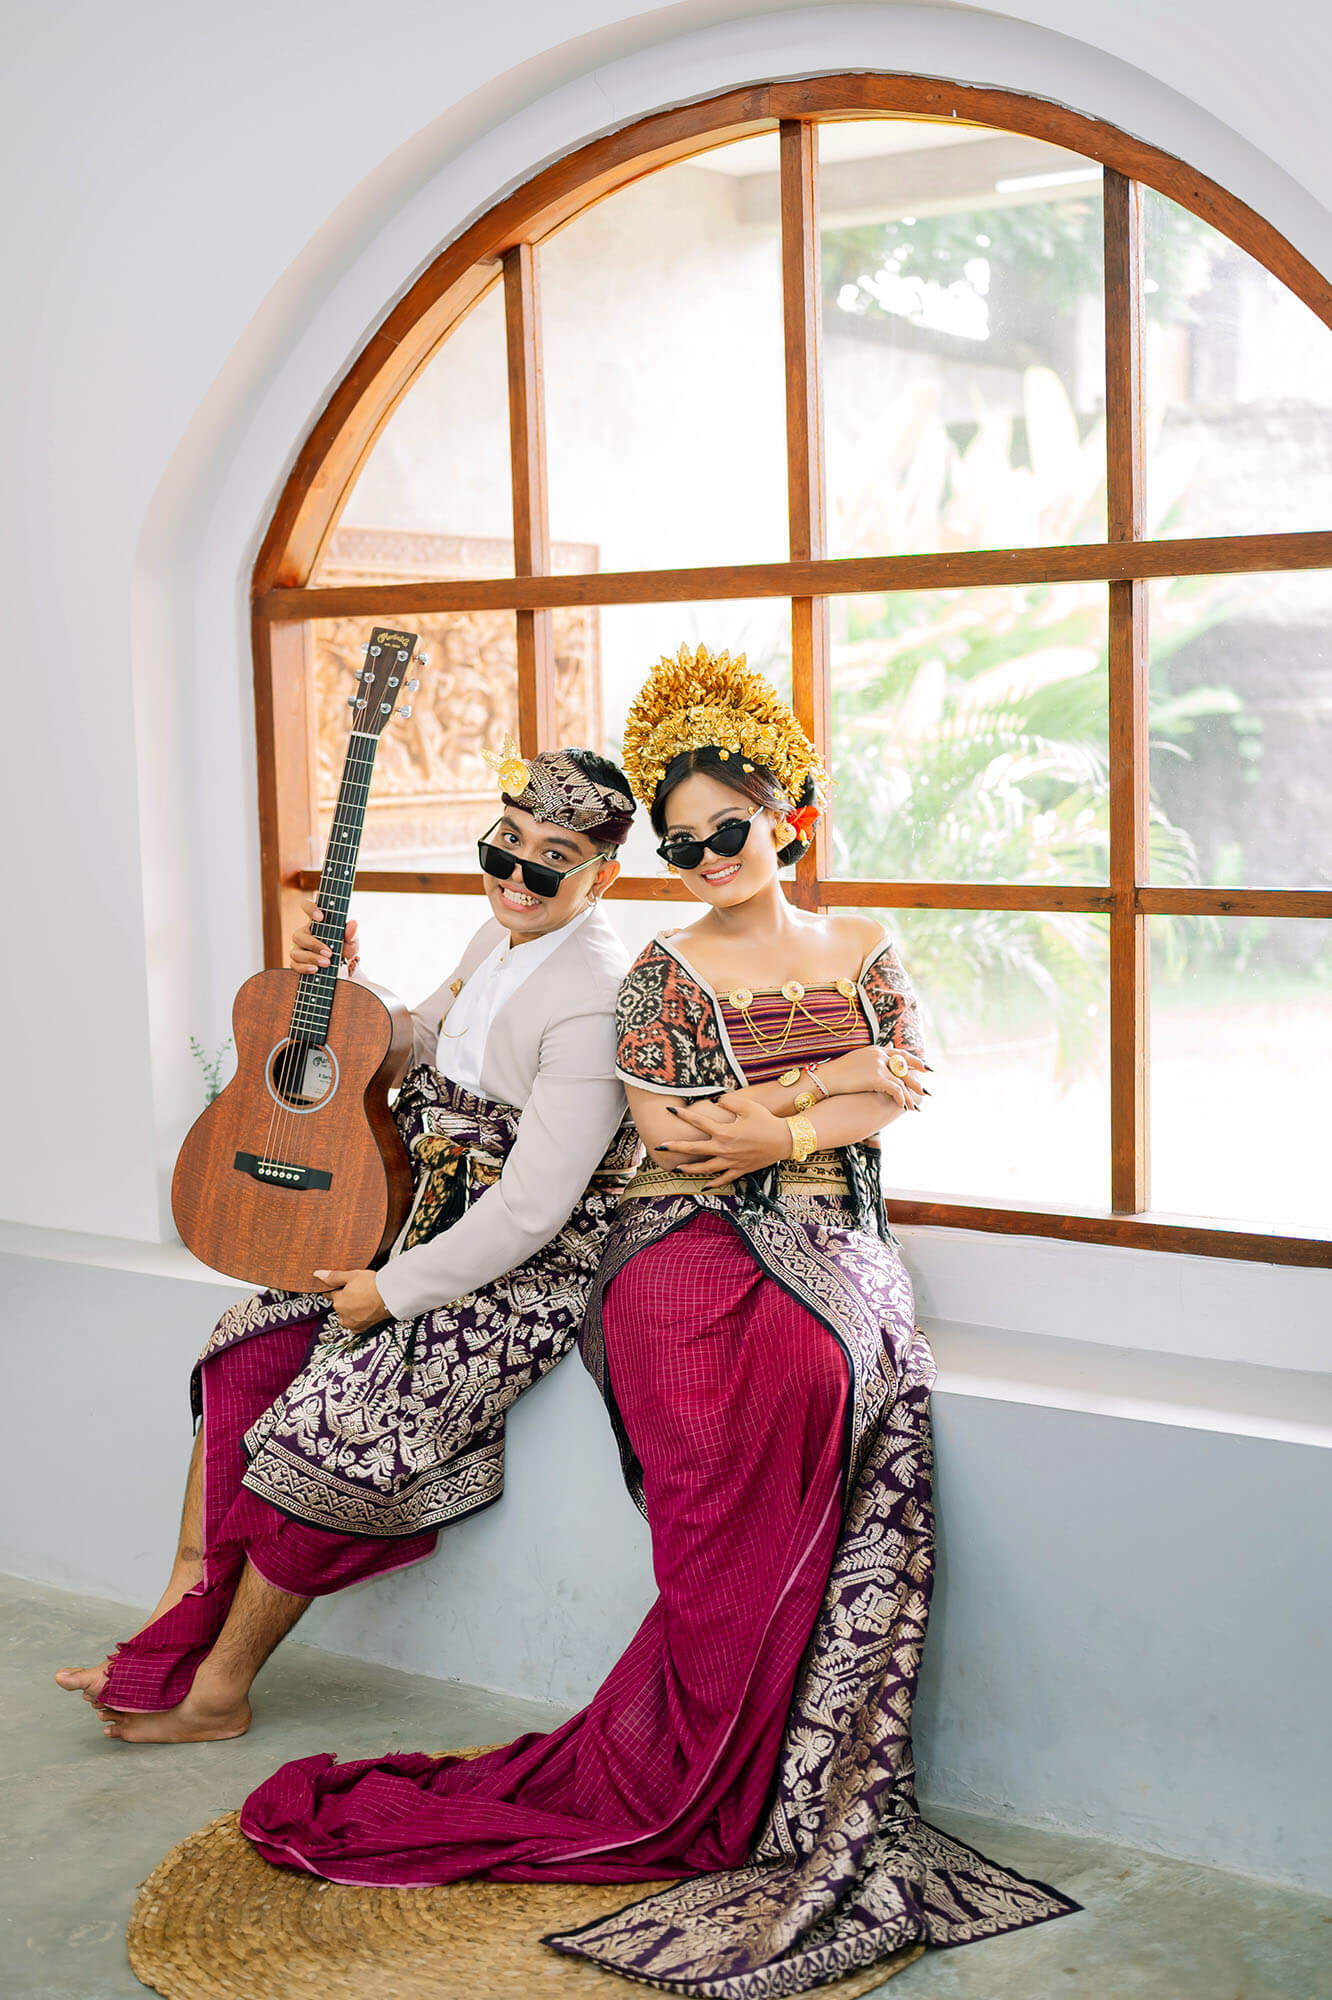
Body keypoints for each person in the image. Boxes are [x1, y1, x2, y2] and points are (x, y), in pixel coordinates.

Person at [236, 649, 1077, 1993]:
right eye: (682, 846)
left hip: (834, 1236)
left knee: (836, 1363)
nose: (707, 862)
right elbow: (684, 1140)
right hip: (672, 1246)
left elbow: (906, 1079)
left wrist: (791, 1114)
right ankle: (691, 1761)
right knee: (723, 1430)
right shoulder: (654, 971)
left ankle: (775, 1763)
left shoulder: (863, 942)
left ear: (790, 818)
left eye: (728, 833)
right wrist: (830, 1080)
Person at [55, 744, 641, 1745]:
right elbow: (420, 1043)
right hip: (412, 1212)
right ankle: (170, 1628)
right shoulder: (499, 932)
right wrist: (348, 988)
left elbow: (535, 1209)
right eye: (506, 843)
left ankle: (219, 1687)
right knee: (247, 1344)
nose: (517, 873)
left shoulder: (593, 994)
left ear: (605, 875)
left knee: (334, 1426)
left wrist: (393, 1292)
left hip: (522, 1268)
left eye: (552, 857)